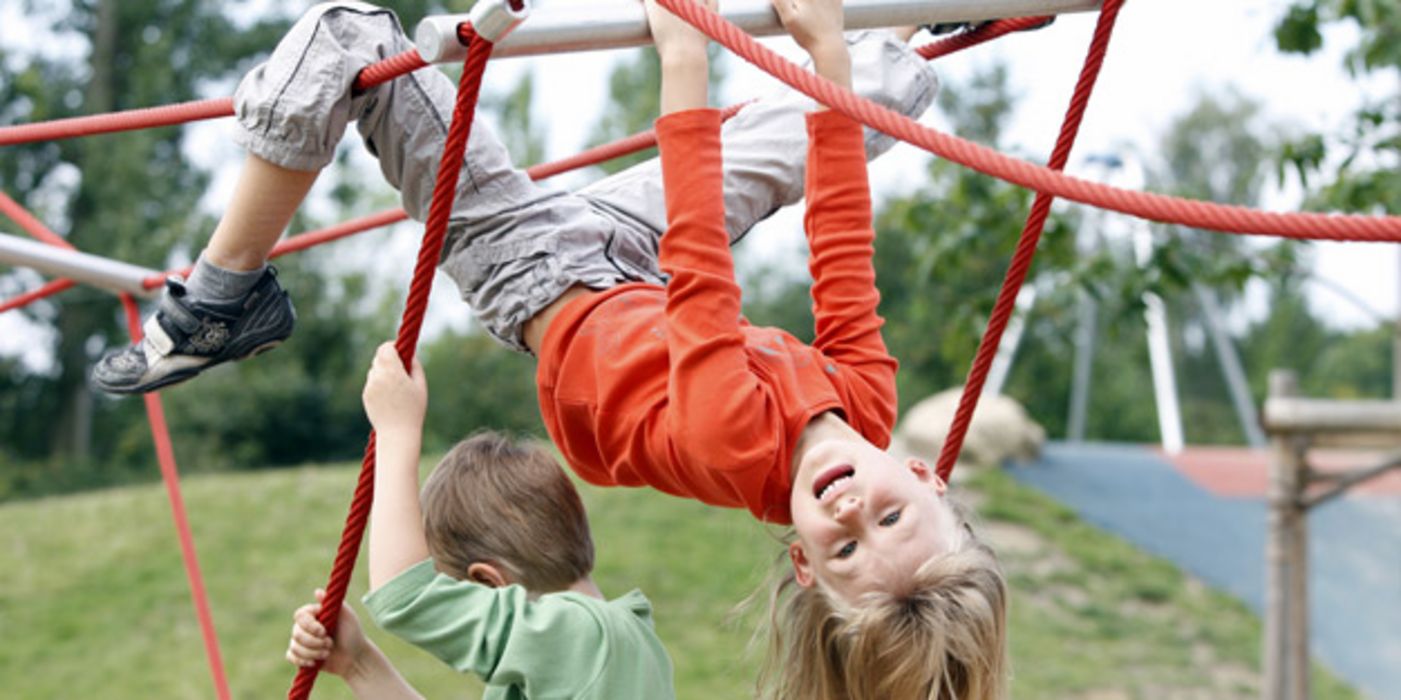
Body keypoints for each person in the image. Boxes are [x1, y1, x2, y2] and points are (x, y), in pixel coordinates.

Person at [286, 351, 674, 698]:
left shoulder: (580, 634)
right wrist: (359, 665)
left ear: (490, 583)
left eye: (456, 596)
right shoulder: (590, 650)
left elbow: (403, 596)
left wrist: (396, 432)